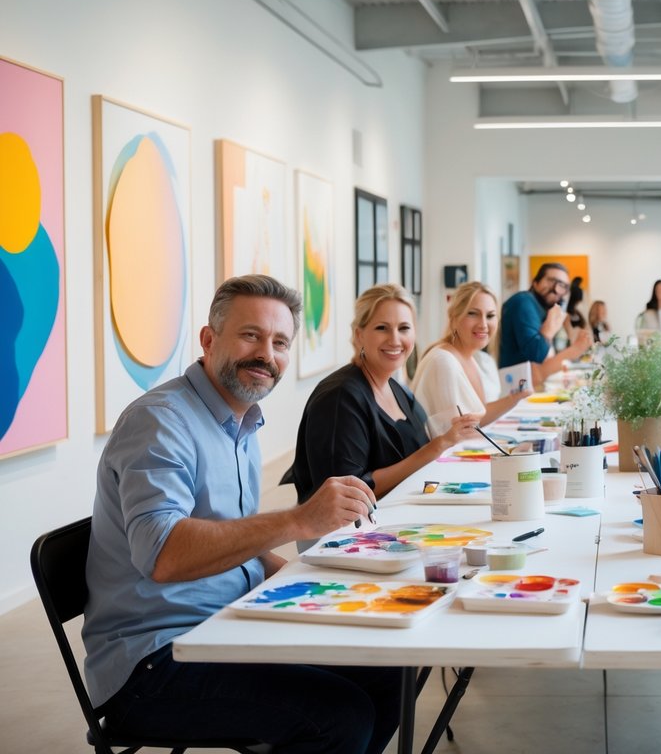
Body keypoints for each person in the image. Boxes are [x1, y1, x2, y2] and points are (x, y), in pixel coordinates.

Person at [83, 275, 403, 753]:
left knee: (386, 674)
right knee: (339, 717)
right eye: (250, 335)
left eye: (280, 342)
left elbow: (238, 549)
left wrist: (323, 581)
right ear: (209, 340)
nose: (266, 355)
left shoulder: (241, 419)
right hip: (152, 664)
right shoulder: (160, 421)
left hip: (228, 627)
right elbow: (164, 556)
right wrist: (298, 521)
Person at [288, 283, 480, 505]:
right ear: (359, 334)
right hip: (349, 531)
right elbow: (349, 489)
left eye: (404, 328)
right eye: (382, 328)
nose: (395, 340)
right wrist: (437, 446)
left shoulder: (396, 388)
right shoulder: (340, 398)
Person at [411, 281, 532, 434]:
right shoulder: (443, 362)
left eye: (490, 316)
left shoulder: (470, 357)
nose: (483, 324)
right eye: (473, 313)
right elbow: (454, 434)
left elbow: (476, 420)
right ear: (453, 317)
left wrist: (516, 398)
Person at [498, 262, 593, 384]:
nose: (556, 288)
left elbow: (546, 358)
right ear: (535, 282)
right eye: (551, 280)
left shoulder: (543, 310)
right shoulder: (524, 301)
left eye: (563, 286)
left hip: (524, 384)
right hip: (513, 386)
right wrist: (550, 330)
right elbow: (537, 355)